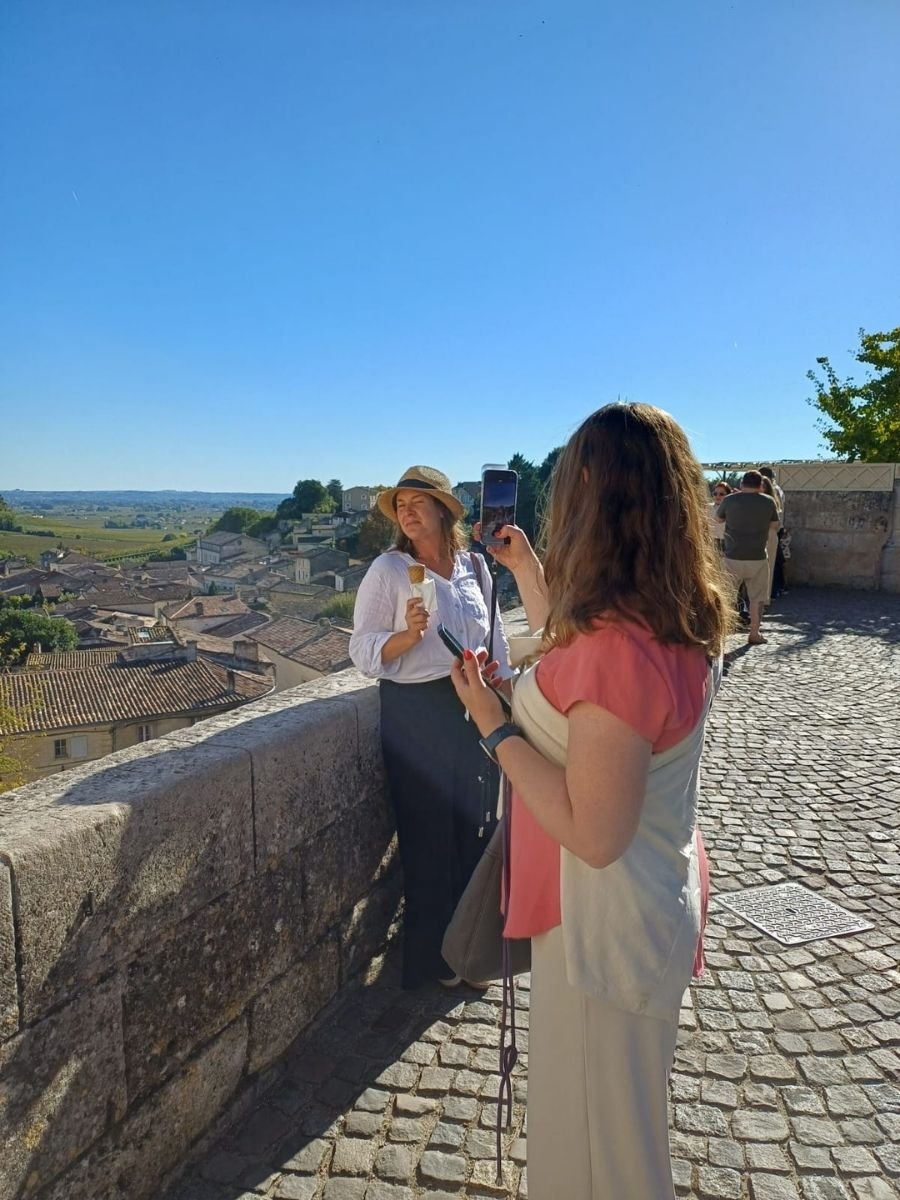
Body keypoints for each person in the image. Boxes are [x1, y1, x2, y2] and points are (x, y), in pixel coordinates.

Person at [450, 403, 731, 1200]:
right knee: (615, 1134)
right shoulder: (669, 621)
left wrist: (494, 726)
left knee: (603, 1158)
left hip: (601, 928)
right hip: (641, 911)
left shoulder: (617, 646)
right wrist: (529, 574)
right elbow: (583, 685)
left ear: (591, 502)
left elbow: (592, 833)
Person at [349, 465, 513, 989]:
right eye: (401, 503)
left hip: (473, 704)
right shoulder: (388, 570)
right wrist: (406, 635)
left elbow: (499, 635)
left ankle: (473, 950)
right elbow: (363, 650)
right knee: (427, 837)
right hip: (415, 713)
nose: (408, 510)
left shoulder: (475, 568)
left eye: (419, 501)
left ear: (444, 511)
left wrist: (502, 684)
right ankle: (434, 958)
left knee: (474, 826)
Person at [716, 470, 780, 645]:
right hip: (757, 557)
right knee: (756, 598)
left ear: (742, 483)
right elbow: (775, 524)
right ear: (760, 486)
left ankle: (721, 636)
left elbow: (719, 519)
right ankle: (754, 633)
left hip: (732, 556)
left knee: (727, 598)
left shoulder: (729, 500)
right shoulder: (769, 502)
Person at [759, 475, 783, 604]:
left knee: (768, 567)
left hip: (768, 536)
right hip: (758, 535)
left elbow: (776, 523)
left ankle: (764, 598)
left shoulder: (771, 502)